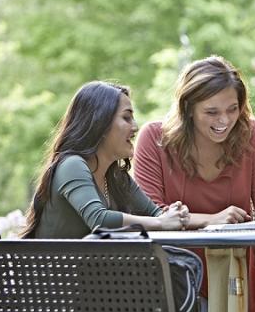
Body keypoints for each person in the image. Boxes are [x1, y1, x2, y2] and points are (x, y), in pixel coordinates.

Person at [132, 55, 255, 312]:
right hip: (172, 279)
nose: (224, 120)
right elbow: (152, 216)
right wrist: (212, 221)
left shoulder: (253, 135)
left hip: (232, 275)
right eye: (212, 112)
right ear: (188, 108)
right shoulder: (154, 139)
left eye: (232, 109)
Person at [22, 81, 189, 239]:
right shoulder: (72, 165)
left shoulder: (116, 176)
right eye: (126, 118)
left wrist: (173, 214)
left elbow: (155, 214)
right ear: (100, 123)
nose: (135, 127)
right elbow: (99, 220)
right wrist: (161, 222)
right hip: (55, 269)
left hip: (91, 268)